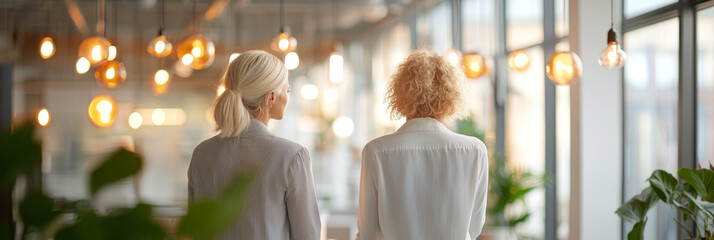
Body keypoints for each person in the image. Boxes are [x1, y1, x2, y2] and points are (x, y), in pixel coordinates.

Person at [356, 50, 489, 240]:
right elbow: (474, 228)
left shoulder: (376, 151)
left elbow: (366, 233)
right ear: (451, 97)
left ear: (400, 93)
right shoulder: (475, 150)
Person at [188, 50, 320, 240]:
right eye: (287, 90)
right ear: (271, 97)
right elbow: (308, 236)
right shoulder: (293, 156)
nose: (288, 97)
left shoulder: (202, 154)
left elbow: (194, 231)